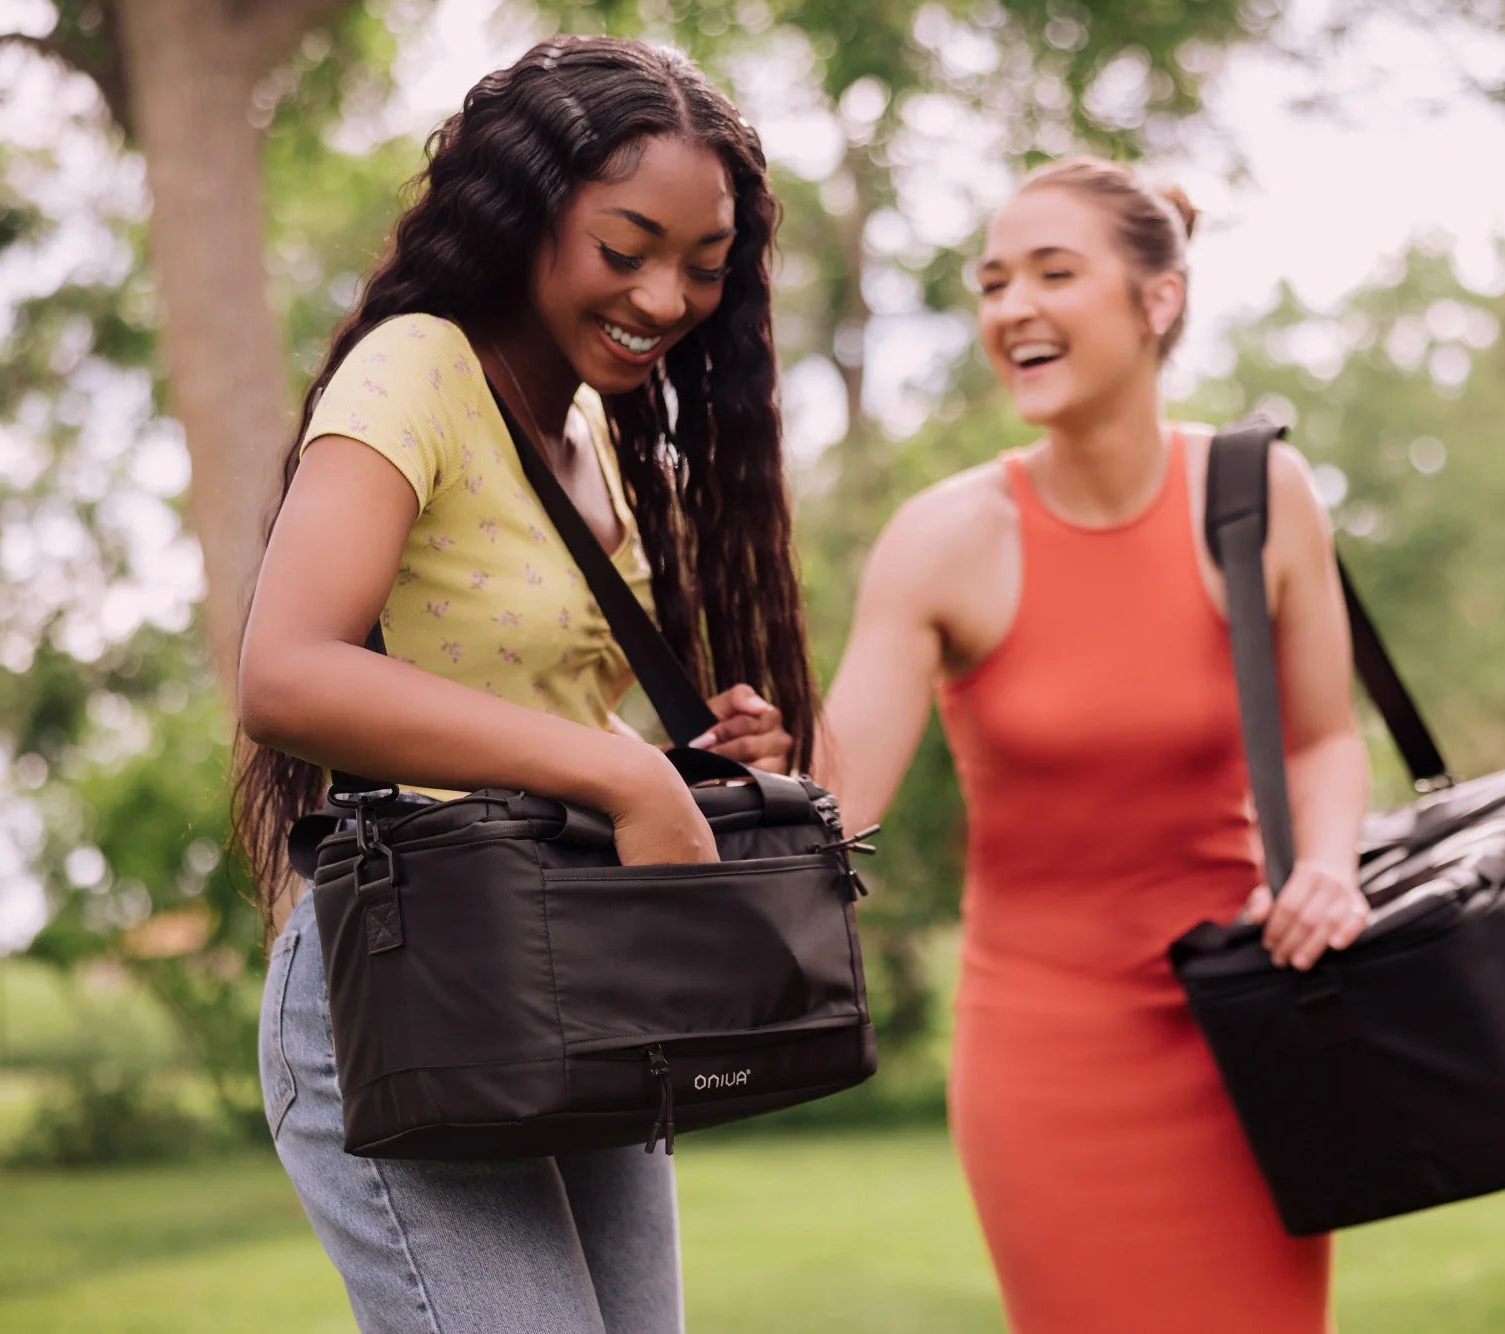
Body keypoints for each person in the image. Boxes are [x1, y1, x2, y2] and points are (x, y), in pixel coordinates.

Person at [233, 37, 803, 1333]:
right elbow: (287, 671)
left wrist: (693, 764)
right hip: (413, 974)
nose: (665, 296)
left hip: (571, 956)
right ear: (521, 214)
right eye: (626, 247)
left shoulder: (588, 430)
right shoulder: (417, 366)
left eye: (704, 264)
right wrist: (620, 773)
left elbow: (523, 705)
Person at [818, 158, 1373, 1332]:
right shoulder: (941, 539)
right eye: (991, 283)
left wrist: (1326, 866)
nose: (1010, 307)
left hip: (1248, 1033)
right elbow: (833, 803)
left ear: (1156, 299)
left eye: (1052, 274)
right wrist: (747, 757)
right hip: (1043, 1054)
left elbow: (1323, 739)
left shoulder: (1259, 494)